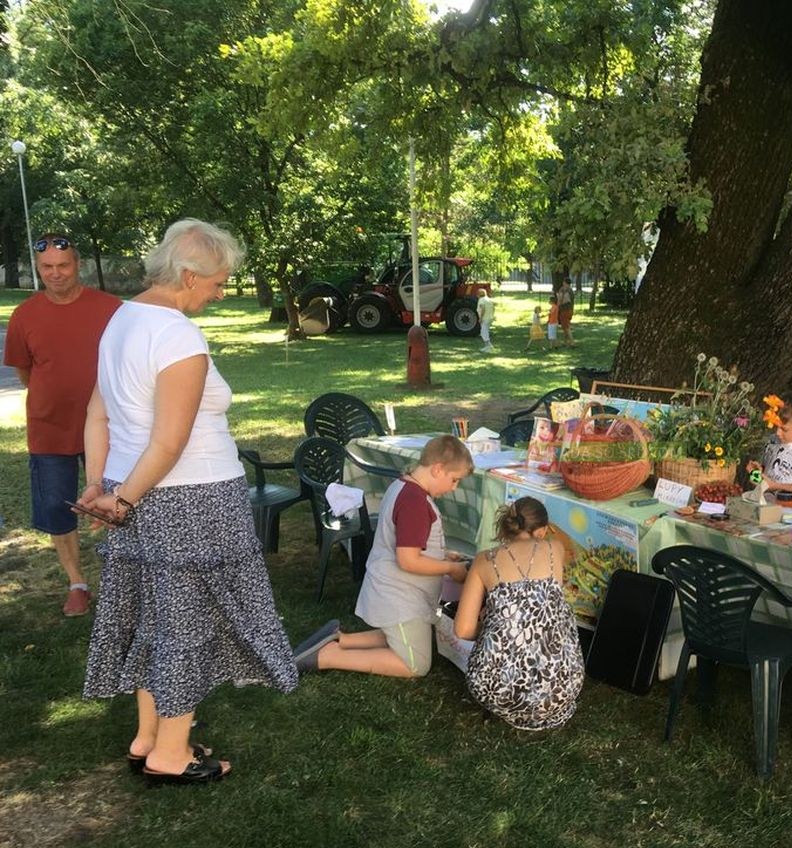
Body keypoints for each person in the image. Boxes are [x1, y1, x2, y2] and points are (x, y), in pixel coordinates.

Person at [78, 219, 297, 784]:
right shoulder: (176, 334)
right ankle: (171, 754)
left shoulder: (121, 319)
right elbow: (170, 441)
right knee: (188, 624)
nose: (223, 292)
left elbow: (97, 414)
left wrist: (100, 485)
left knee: (157, 616)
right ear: (189, 275)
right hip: (192, 498)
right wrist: (119, 499)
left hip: (137, 491)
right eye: (219, 282)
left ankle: (148, 735)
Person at [3, 233, 121, 616]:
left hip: (109, 427)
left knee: (119, 500)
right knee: (57, 507)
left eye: (63, 265)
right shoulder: (25, 315)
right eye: (47, 268)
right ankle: (77, 583)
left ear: (78, 264)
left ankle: (124, 578)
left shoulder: (112, 308)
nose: (55, 274)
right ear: (39, 269)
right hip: (49, 428)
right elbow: (25, 372)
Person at [293, 435, 474, 677]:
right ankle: (330, 656)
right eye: (454, 480)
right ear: (438, 469)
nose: (454, 487)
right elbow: (408, 560)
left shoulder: (404, 487)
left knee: (401, 635)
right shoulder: (415, 502)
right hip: (400, 598)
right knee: (415, 664)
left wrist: (443, 555)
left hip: (398, 593)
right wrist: (450, 569)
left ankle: (342, 639)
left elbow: (412, 543)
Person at [454, 497, 584, 729]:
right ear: (543, 531)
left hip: (497, 691)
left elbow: (463, 629)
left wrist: (492, 627)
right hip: (561, 686)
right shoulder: (555, 549)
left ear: (506, 526)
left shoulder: (484, 560)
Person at [746, 390, 792, 498]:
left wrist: (776, 486)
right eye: (776, 426)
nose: (778, 433)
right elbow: (767, 478)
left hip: (790, 509)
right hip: (765, 503)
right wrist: (756, 474)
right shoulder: (772, 441)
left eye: (784, 429)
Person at [555, 278, 575, 345]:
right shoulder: (571, 290)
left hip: (564, 310)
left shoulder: (564, 290)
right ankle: (565, 342)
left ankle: (572, 342)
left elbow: (562, 300)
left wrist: (558, 306)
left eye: (563, 282)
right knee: (565, 326)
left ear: (565, 282)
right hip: (570, 310)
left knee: (566, 327)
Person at [477, 288, 496, 352]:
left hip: (485, 318)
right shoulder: (489, 299)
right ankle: (490, 346)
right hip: (490, 318)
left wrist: (480, 318)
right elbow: (493, 308)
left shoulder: (481, 300)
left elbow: (483, 309)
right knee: (486, 331)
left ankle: (487, 347)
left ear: (479, 294)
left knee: (483, 332)